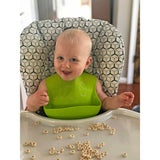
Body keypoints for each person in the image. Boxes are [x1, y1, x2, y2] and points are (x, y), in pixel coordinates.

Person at [26, 29, 134, 117]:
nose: (65, 65)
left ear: (87, 63)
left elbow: (105, 103)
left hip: (90, 129)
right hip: (53, 129)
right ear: (54, 57)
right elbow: (31, 108)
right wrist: (35, 101)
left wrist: (118, 101)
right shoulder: (46, 84)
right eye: (60, 58)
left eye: (73, 60)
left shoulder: (93, 83)